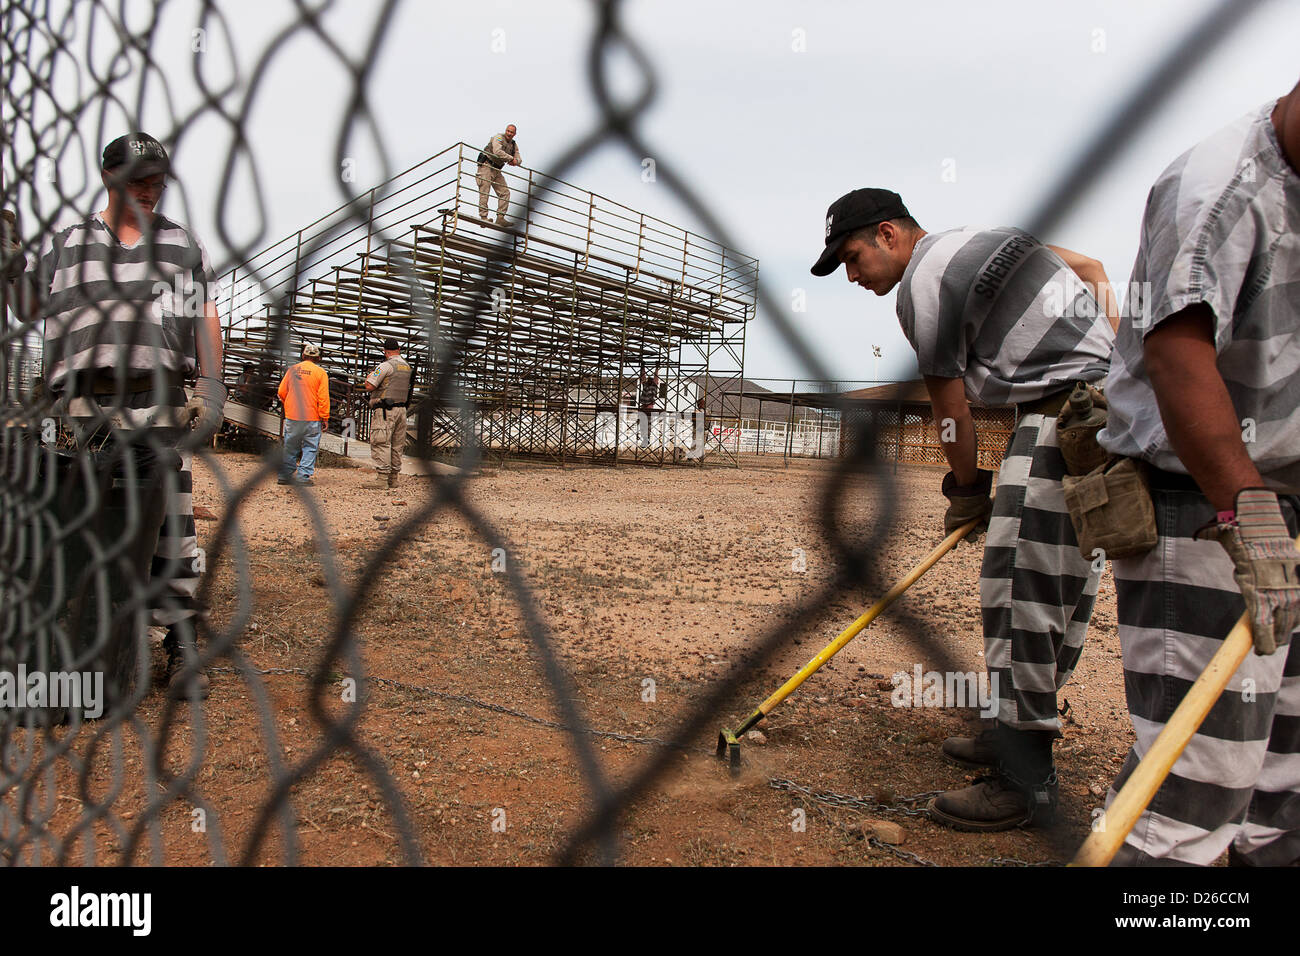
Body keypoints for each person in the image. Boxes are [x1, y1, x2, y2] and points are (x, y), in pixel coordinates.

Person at [810, 187, 1119, 830]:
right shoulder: (991, 240)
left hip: (1057, 418)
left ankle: (1024, 780)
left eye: (852, 257)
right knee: (1063, 587)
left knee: (1020, 591)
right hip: (1106, 413)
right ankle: (1013, 728)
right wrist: (1117, 369)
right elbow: (1091, 269)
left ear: (890, 235)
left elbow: (950, 409)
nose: (853, 276)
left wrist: (967, 490)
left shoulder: (920, 284)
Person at [1096, 81, 1300, 866]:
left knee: (1281, 783)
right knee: (1193, 790)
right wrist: (1246, 509)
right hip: (1203, 502)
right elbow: (1176, 353)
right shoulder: (1219, 186)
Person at [16, 132, 225, 701]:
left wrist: (210, 384)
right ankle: (82, 643)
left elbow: (204, 311)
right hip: (81, 402)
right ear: (109, 178)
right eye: (139, 181)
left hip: (156, 395)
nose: (151, 191)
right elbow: (29, 305)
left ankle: (179, 646)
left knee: (170, 521)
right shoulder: (68, 245)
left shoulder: (180, 244)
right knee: (82, 518)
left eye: (158, 181)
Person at [276, 343, 330, 486]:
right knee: (310, 446)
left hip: (293, 415)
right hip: (312, 416)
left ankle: (285, 475)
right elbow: (323, 397)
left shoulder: (292, 370)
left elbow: (281, 391)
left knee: (290, 445)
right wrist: (325, 417)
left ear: (303, 355)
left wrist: (288, 404)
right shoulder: (320, 373)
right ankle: (303, 476)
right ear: (318, 357)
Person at [362, 338, 412, 490]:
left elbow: (370, 386)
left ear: (385, 351)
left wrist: (369, 376)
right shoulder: (406, 366)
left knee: (381, 441)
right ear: (398, 350)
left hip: (385, 410)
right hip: (402, 410)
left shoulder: (385, 366)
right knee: (397, 444)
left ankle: (382, 479)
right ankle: (393, 478)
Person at [475, 125, 521, 225]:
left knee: (505, 192)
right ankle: (483, 217)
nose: (509, 133)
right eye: (508, 131)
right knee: (485, 191)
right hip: (486, 165)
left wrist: (515, 161)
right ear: (506, 131)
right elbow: (497, 151)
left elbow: (519, 159)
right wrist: (510, 159)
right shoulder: (499, 137)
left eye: (511, 132)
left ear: (514, 134)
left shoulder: (513, 145)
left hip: (497, 169)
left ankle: (500, 217)